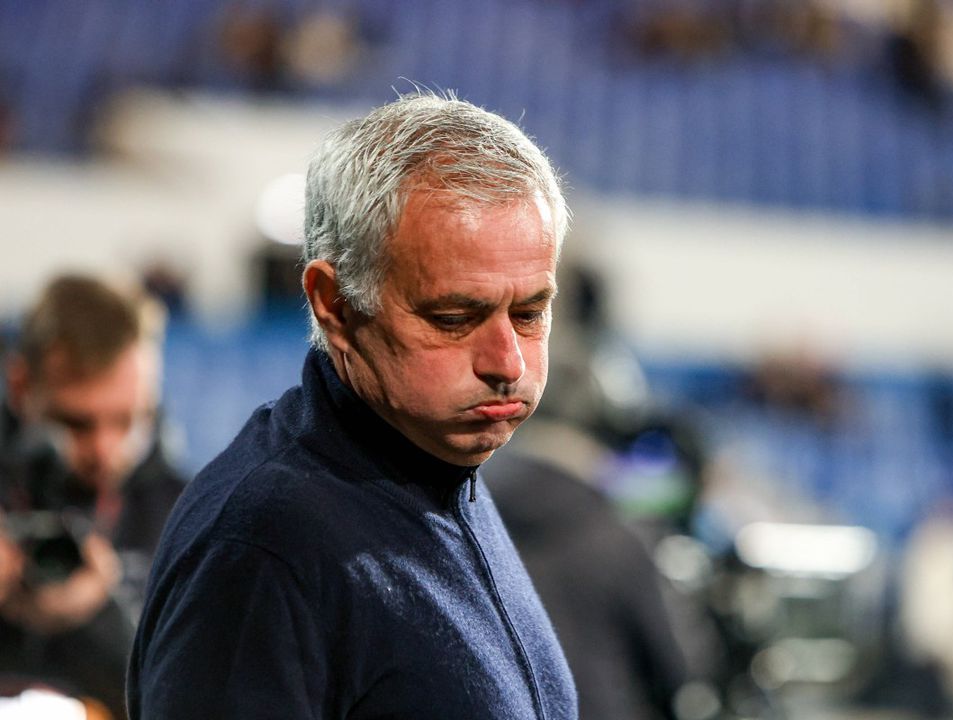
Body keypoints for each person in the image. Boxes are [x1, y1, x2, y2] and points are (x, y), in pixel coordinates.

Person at [128, 93, 576, 719]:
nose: (508, 363)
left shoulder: (439, 467)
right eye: (454, 318)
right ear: (334, 304)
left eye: (529, 313)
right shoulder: (262, 548)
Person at [0, 274, 187, 719]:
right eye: (76, 423)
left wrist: (100, 612)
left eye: (127, 420)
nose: (105, 451)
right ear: (21, 386)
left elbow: (186, 698)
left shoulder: (188, 513)